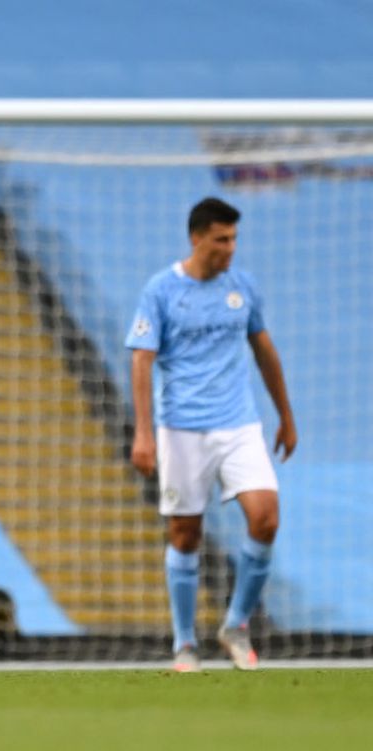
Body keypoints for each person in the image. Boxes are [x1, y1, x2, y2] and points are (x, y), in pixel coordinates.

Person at [127, 197, 296, 673]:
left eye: (234, 239)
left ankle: (236, 625)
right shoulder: (162, 290)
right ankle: (184, 644)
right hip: (181, 428)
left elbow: (264, 350)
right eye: (222, 239)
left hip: (239, 424)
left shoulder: (243, 287)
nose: (230, 248)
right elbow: (142, 359)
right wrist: (144, 433)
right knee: (186, 534)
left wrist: (286, 414)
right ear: (197, 237)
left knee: (265, 518)